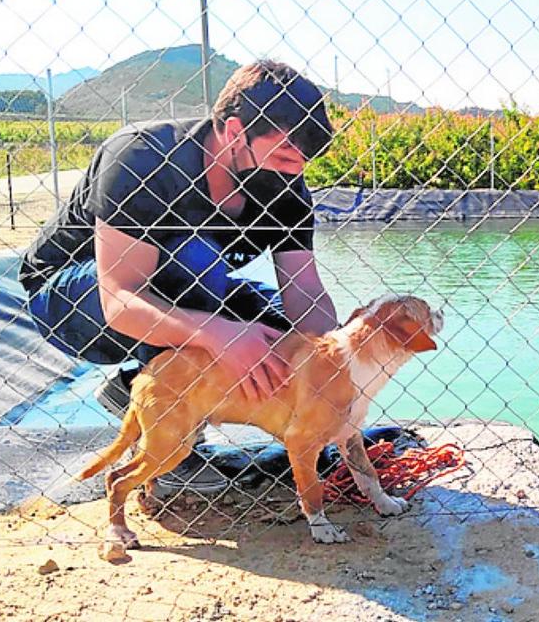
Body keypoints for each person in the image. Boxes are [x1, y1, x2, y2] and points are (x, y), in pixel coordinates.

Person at [19, 60, 337, 492]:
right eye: (283, 154)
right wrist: (218, 335)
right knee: (197, 258)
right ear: (234, 132)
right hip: (73, 300)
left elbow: (305, 291)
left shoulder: (286, 188)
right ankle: (168, 436)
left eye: (302, 160)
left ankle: (131, 390)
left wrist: (332, 369)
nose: (295, 172)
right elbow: (118, 299)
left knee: (280, 332)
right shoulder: (142, 158)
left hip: (189, 289)